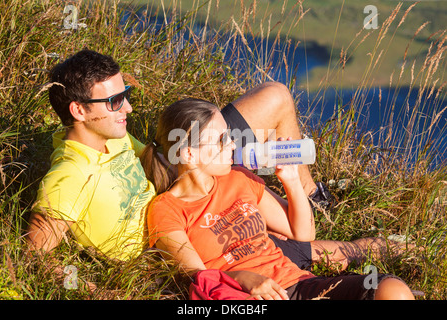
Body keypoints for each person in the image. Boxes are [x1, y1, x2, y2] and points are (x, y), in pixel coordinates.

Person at [26, 49, 404, 272]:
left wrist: (200, 148)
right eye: (113, 102)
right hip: (184, 233)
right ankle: (385, 249)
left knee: (274, 96)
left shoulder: (109, 130)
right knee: (311, 250)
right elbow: (32, 258)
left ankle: (311, 196)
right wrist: (87, 284)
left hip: (181, 170)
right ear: (78, 109)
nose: (127, 106)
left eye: (123, 94)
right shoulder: (68, 178)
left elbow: (150, 155)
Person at [144, 98, 415, 300]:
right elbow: (197, 275)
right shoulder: (166, 209)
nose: (232, 145)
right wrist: (243, 278)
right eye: (221, 140)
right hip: (246, 297)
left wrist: (292, 180)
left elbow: (303, 233)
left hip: (299, 286)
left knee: (393, 291)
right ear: (189, 154)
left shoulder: (239, 178)